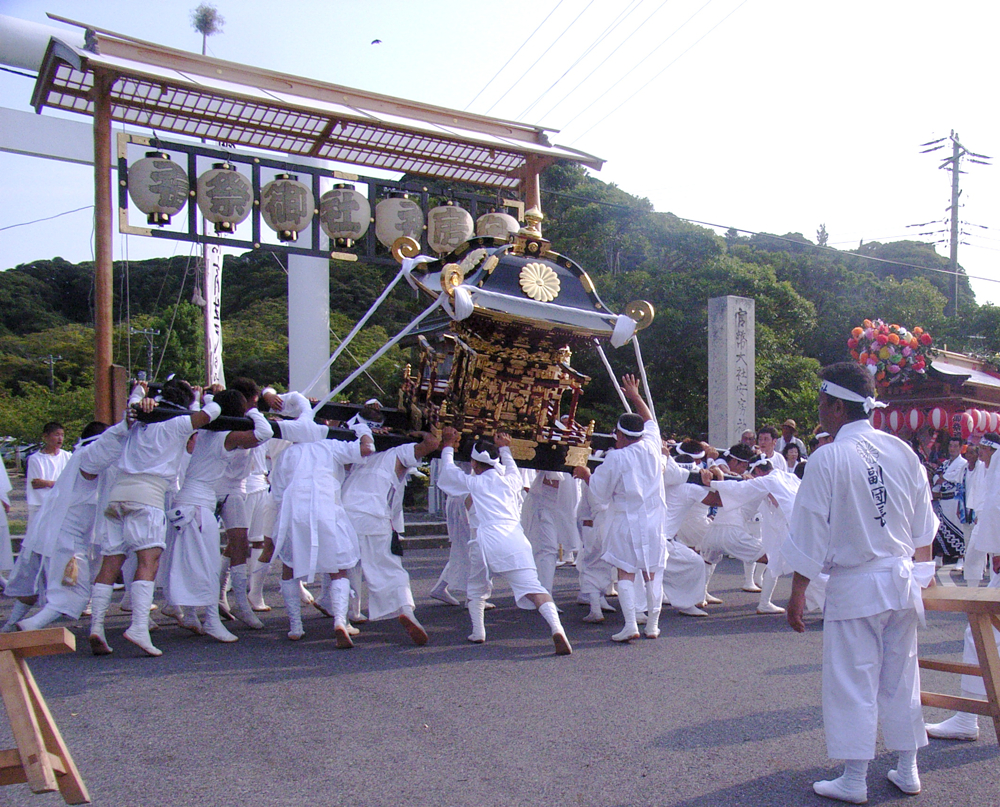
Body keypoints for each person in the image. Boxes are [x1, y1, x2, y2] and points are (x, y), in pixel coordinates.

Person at [783, 362, 937, 803]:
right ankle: (907, 768)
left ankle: (854, 779)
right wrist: (922, 578)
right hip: (901, 580)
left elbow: (810, 528)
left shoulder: (829, 456)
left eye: (820, 403)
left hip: (857, 583)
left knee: (852, 679)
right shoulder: (903, 451)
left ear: (834, 406)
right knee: (900, 677)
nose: (818, 409)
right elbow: (924, 526)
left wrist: (797, 594)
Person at [89, 379, 220, 657]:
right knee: (148, 562)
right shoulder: (176, 424)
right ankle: (138, 627)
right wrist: (207, 397)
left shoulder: (138, 419)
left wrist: (140, 391)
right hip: (147, 496)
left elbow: (132, 404)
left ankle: (97, 626)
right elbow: (213, 414)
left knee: (111, 562)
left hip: (117, 495)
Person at [437, 427, 572, 655]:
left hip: (484, 539)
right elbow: (510, 466)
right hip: (514, 539)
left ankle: (478, 630)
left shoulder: (475, 483)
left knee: (477, 586)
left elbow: (449, 473)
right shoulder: (511, 480)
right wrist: (505, 448)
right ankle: (557, 629)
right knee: (534, 588)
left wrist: (448, 445)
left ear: (474, 465)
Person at [575, 374, 684, 641]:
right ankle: (653, 626)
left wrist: (585, 474)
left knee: (625, 571)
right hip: (654, 520)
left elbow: (599, 494)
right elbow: (650, 421)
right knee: (652, 572)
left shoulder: (616, 457)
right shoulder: (651, 446)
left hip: (626, 519)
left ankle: (631, 626)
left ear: (620, 434)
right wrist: (635, 396)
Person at [339, 432, 440, 646]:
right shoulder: (398, 452)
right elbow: (432, 443)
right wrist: (421, 432)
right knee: (390, 567)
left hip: (344, 513)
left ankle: (341, 620)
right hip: (373, 515)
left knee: (345, 568)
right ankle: (406, 611)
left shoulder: (361, 457)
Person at [25, 421, 72, 527]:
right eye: (56, 435)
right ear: (46, 437)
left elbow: (71, 482)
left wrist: (48, 483)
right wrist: (59, 484)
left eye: (62, 435)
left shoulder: (68, 457)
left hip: (63, 506)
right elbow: (36, 484)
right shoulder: (35, 459)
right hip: (41, 506)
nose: (60, 439)